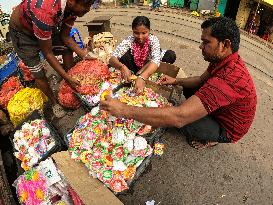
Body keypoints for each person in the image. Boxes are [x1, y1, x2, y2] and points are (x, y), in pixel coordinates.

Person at [101, 17, 257, 149]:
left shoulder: (227, 80)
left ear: (225, 44)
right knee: (188, 88)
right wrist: (175, 80)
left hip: (226, 127)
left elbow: (179, 117)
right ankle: (198, 111)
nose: (200, 46)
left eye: (206, 42)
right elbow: (201, 80)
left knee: (183, 123)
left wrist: (123, 109)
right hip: (221, 107)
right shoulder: (224, 60)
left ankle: (213, 139)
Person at [9, 0, 96, 118]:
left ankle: (71, 81)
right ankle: (55, 103)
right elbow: (48, 53)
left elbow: (65, 37)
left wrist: (84, 55)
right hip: (23, 34)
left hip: (43, 26)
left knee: (66, 48)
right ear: (71, 1)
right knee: (38, 72)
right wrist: (66, 77)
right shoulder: (44, 12)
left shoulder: (72, 9)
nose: (88, 9)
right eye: (86, 5)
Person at [109, 16, 176, 94]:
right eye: (136, 33)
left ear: (149, 31)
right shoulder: (129, 40)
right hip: (136, 65)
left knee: (170, 55)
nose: (140, 37)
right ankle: (136, 74)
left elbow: (155, 60)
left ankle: (140, 73)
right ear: (132, 31)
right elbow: (112, 59)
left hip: (148, 64)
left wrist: (142, 77)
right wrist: (122, 67)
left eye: (144, 33)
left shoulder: (153, 40)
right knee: (123, 58)